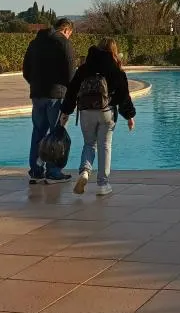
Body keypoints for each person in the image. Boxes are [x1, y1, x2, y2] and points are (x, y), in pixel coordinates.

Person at [60, 37, 136, 197]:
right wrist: (129, 116)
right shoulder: (115, 69)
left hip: (86, 112)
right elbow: (124, 95)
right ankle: (103, 184)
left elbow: (72, 91)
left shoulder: (84, 68)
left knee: (89, 144)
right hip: (107, 111)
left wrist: (65, 112)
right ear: (113, 50)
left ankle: (84, 172)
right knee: (105, 146)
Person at [22, 17, 76, 185]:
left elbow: (26, 70)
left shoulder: (35, 43)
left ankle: (36, 171)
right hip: (56, 95)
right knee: (57, 133)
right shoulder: (63, 43)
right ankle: (53, 171)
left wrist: (36, 85)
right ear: (66, 30)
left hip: (37, 94)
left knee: (38, 132)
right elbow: (71, 72)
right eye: (70, 34)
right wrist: (71, 93)